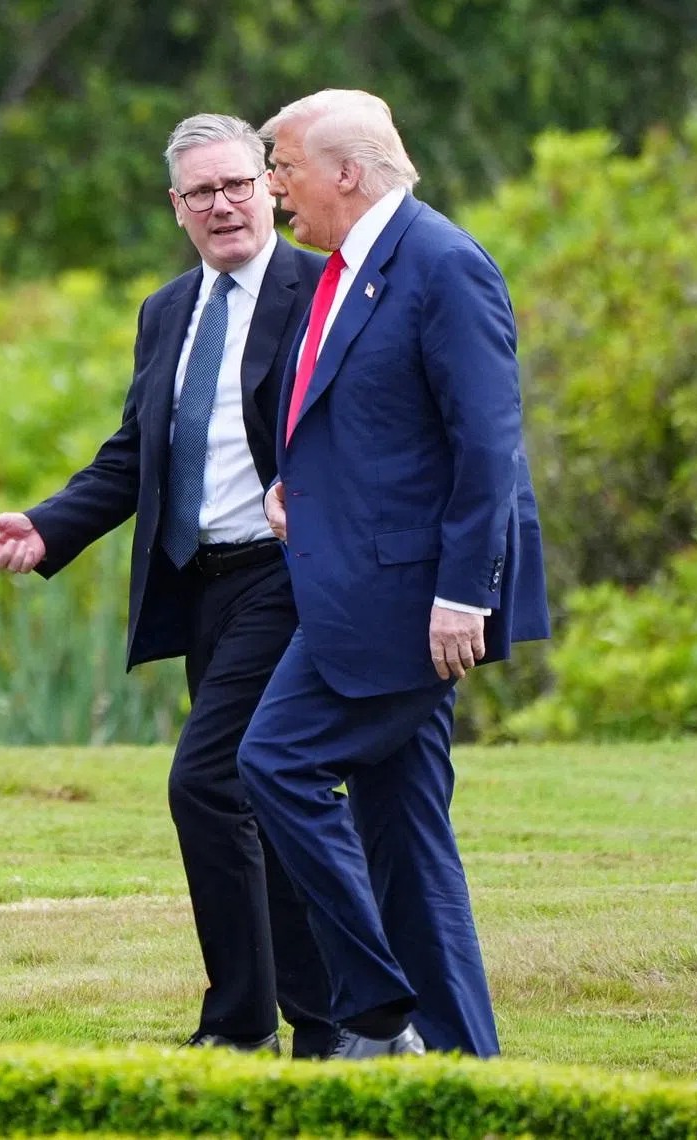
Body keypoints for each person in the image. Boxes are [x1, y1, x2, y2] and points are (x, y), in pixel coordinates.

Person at [0, 114, 335, 1058]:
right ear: (176, 209)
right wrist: (47, 523)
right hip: (199, 586)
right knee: (260, 790)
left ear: (269, 185)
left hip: (290, 580)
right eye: (199, 193)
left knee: (208, 782)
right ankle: (315, 1024)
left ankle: (255, 1024)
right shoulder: (167, 310)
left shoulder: (319, 290)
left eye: (237, 184)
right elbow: (135, 454)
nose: (222, 205)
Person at [236, 89, 551, 1061]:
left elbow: (486, 441)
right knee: (408, 844)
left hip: (410, 606)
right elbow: (370, 418)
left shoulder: (445, 263)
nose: (273, 189)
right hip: (356, 586)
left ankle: (375, 1007)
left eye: (281, 167)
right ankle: (463, 1066)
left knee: (274, 763)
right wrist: (297, 479)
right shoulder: (347, 270)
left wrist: (467, 591)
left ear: (345, 171)